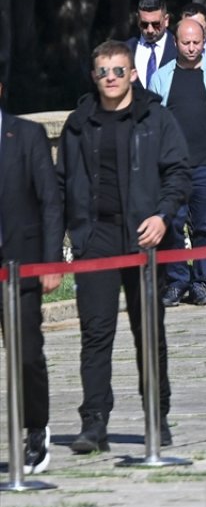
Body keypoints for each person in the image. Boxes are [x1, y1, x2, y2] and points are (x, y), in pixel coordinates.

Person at [59, 40, 191, 454]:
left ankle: (157, 415)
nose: (111, 78)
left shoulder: (157, 118)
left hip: (144, 235)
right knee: (95, 334)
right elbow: (62, 183)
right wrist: (72, 237)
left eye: (119, 71)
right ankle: (93, 422)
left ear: (133, 74)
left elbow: (178, 173)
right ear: (94, 77)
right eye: (103, 72)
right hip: (95, 238)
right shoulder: (78, 124)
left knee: (148, 331)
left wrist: (162, 215)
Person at [0, 79, 63, 474]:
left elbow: (50, 201)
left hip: (21, 263)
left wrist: (52, 261)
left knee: (25, 354)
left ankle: (36, 428)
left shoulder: (26, 135)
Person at [148, 19, 206, 307]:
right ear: (175, 43)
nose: (192, 48)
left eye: (197, 42)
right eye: (186, 43)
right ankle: (176, 281)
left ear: (205, 40)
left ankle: (202, 283)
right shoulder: (161, 78)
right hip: (173, 169)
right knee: (172, 224)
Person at [127, 0, 177, 91]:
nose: (150, 30)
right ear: (138, 20)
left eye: (156, 24)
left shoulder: (179, 48)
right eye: (144, 24)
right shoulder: (127, 49)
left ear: (166, 20)